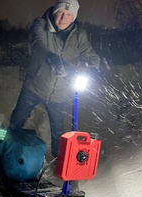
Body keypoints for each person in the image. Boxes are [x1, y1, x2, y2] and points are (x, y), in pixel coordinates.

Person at [9, 0, 100, 159]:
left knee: (59, 132)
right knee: (16, 120)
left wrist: (92, 69)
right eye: (60, 13)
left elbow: (91, 55)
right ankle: (3, 142)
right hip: (35, 86)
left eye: (68, 14)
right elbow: (37, 43)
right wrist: (51, 58)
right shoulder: (41, 24)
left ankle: (59, 163)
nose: (63, 18)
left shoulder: (80, 35)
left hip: (60, 93)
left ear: (73, 17)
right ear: (54, 11)